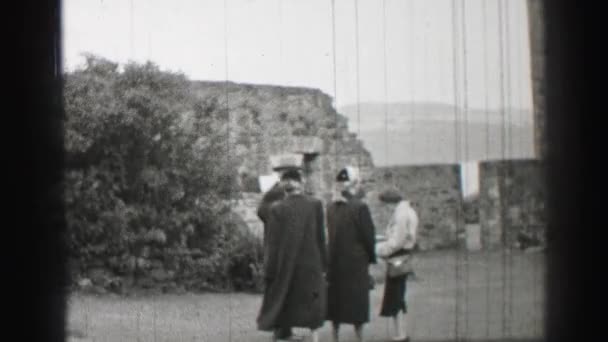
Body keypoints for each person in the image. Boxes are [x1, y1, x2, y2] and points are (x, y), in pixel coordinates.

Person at [256, 168, 327, 342]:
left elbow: (273, 243)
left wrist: (269, 269)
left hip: (286, 261)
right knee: (311, 302)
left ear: (284, 187)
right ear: (301, 183)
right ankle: (313, 338)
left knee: (284, 297)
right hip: (311, 262)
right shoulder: (315, 204)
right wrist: (324, 264)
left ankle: (282, 334)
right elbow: (320, 238)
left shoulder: (277, 208)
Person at [326, 166, 377, 342]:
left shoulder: (331, 207)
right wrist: (371, 258)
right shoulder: (360, 207)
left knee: (336, 304)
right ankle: (359, 337)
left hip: (335, 262)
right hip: (356, 263)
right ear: (354, 183)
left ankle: (335, 336)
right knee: (357, 304)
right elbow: (368, 236)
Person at [375, 189, 418, 342]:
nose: (386, 209)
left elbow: (397, 242)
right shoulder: (408, 211)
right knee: (398, 294)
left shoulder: (400, 215)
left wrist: (379, 250)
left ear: (389, 202)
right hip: (404, 255)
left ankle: (401, 333)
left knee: (395, 295)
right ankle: (401, 331)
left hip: (397, 257)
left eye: (385, 205)